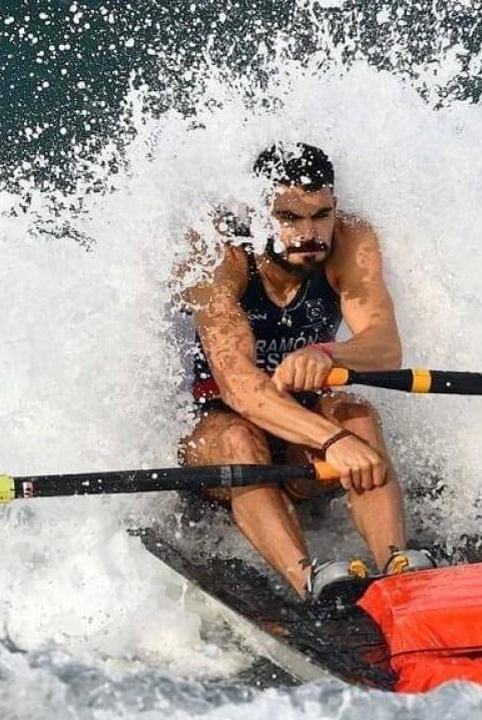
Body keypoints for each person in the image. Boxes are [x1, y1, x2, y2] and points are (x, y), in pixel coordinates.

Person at [180, 143, 433, 604]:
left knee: (356, 413)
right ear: (257, 215)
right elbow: (239, 388)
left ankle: (397, 568)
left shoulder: (350, 242)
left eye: (321, 215)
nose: (309, 233)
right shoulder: (221, 259)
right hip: (218, 435)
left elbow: (384, 347)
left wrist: (327, 354)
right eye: (289, 218)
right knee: (240, 439)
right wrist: (333, 442)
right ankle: (311, 583)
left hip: (301, 446)